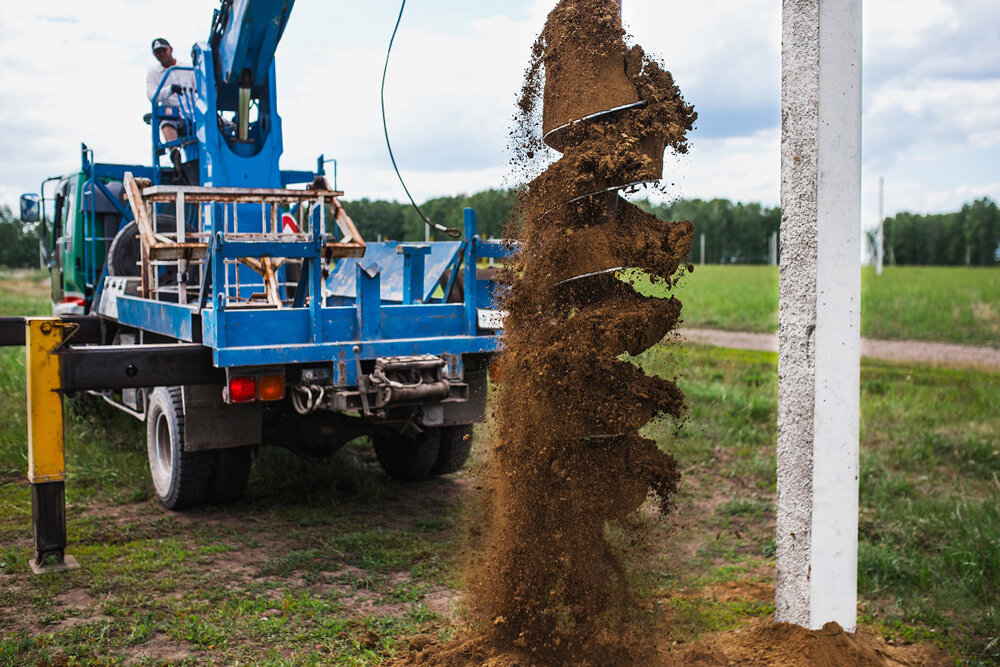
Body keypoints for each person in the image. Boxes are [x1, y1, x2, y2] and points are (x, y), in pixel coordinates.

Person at [146, 38, 196, 165]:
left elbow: (202, 89)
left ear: (171, 49)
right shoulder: (153, 73)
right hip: (174, 117)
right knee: (166, 124)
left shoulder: (188, 69)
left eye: (164, 50)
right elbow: (152, 96)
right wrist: (170, 90)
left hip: (194, 116)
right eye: (158, 52)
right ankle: (174, 153)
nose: (161, 54)